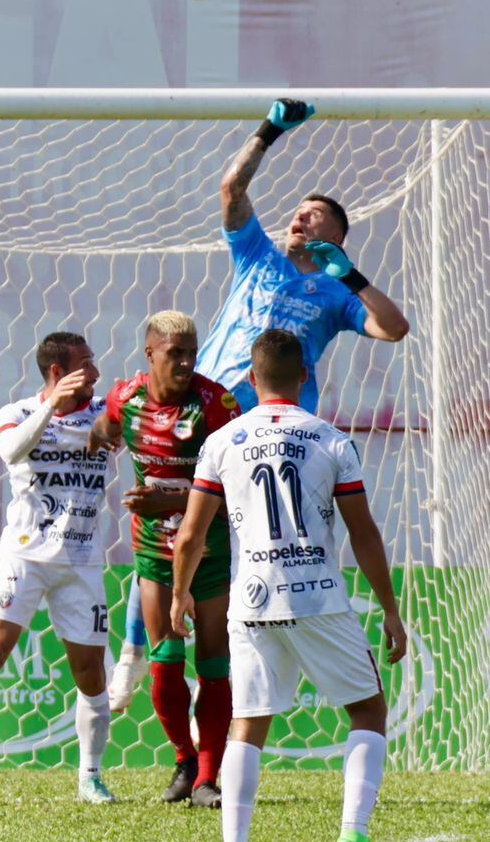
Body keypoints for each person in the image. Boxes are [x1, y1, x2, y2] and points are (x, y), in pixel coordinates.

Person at [109, 97, 411, 713]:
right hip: (199, 415)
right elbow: (230, 187)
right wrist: (270, 131)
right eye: (299, 212)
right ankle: (139, 649)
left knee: (232, 541)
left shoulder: (333, 293)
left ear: (338, 238)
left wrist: (349, 275)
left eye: (317, 216)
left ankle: (236, 689)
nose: (302, 218)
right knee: (164, 531)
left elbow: (394, 328)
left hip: (268, 433)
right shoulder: (258, 258)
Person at [171, 329, 408, 842]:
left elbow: (190, 535)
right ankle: (353, 834)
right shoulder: (330, 440)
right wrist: (389, 608)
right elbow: (363, 532)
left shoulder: (222, 441)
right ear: (305, 376)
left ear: (251, 381)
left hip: (251, 597)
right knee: (368, 711)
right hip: (318, 596)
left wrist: (181, 592)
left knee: (247, 725)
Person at [0, 332, 116, 805]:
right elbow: (11, 451)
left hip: (81, 559)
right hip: (24, 555)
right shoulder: (16, 414)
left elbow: (130, 429)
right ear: (58, 372)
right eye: (86, 365)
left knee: (91, 672)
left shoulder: (103, 413)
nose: (96, 373)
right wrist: (50, 408)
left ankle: (91, 776)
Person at [89, 311, 239, 807]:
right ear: (150, 354)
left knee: (214, 662)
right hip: (154, 550)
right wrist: (98, 437)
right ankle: (185, 759)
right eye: (175, 353)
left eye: (191, 352)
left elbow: (234, 487)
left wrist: (169, 503)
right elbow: (105, 424)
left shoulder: (215, 405)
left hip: (209, 551)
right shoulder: (126, 399)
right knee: (166, 661)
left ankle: (209, 779)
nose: (185, 361)